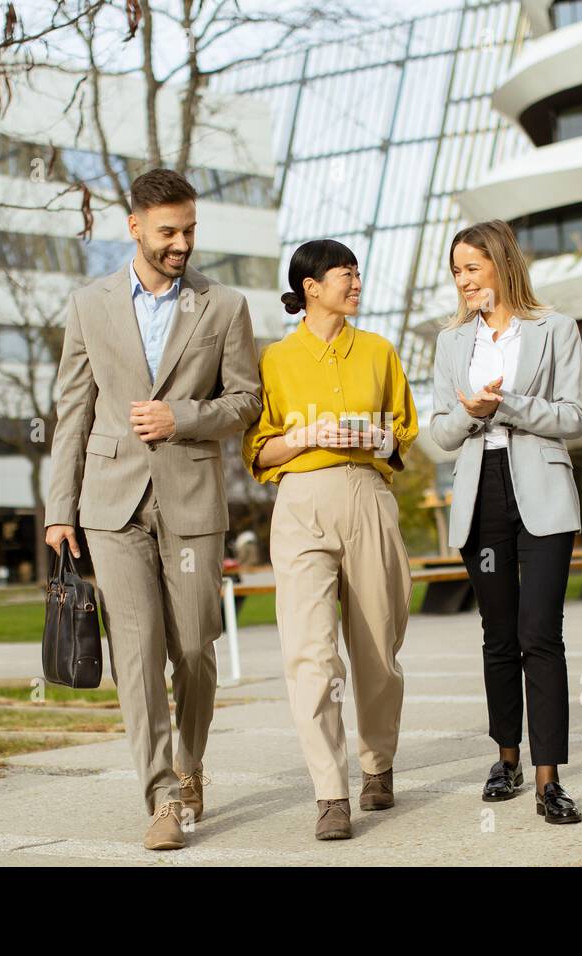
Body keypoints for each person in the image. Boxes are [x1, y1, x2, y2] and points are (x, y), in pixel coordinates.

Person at [43, 168, 263, 851]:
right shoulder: (89, 304)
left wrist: (182, 417)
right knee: (137, 655)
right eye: (168, 231)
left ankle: (191, 766)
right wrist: (60, 508)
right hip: (111, 508)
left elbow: (247, 402)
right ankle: (163, 797)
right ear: (133, 225)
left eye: (189, 229)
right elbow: (73, 409)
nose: (181, 243)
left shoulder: (223, 306)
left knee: (194, 649)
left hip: (192, 500)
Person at [242, 239, 418, 841]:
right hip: (300, 502)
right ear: (311, 287)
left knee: (377, 649)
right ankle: (329, 792)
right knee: (311, 654)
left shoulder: (379, 351)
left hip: (368, 495)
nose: (356, 281)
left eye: (358, 273)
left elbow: (403, 439)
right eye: (346, 273)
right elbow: (258, 451)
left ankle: (378, 764)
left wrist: (377, 439)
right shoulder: (273, 361)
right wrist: (307, 434)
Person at [430, 220, 582, 824]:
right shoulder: (451, 344)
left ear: (501, 264)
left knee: (540, 633)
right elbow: (439, 432)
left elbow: (576, 416)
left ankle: (550, 779)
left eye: (472, 267)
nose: (464, 281)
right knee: (498, 635)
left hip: (542, 489)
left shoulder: (555, 330)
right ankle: (507, 758)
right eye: (456, 272)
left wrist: (508, 405)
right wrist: (472, 414)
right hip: (481, 491)